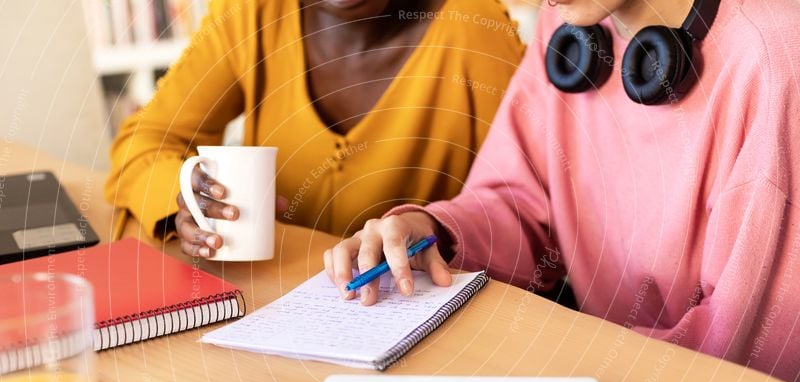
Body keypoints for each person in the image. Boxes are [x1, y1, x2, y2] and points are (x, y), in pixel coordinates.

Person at [325, 0, 800, 382]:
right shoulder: (571, 25)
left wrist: (562, 372)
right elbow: (518, 201)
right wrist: (432, 232)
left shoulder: (777, 56)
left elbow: (750, 348)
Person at [104, 0, 524, 257]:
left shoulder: (476, 30)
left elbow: (534, 205)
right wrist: (182, 196)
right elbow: (145, 142)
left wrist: (438, 233)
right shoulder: (252, 12)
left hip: (415, 311)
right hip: (269, 309)